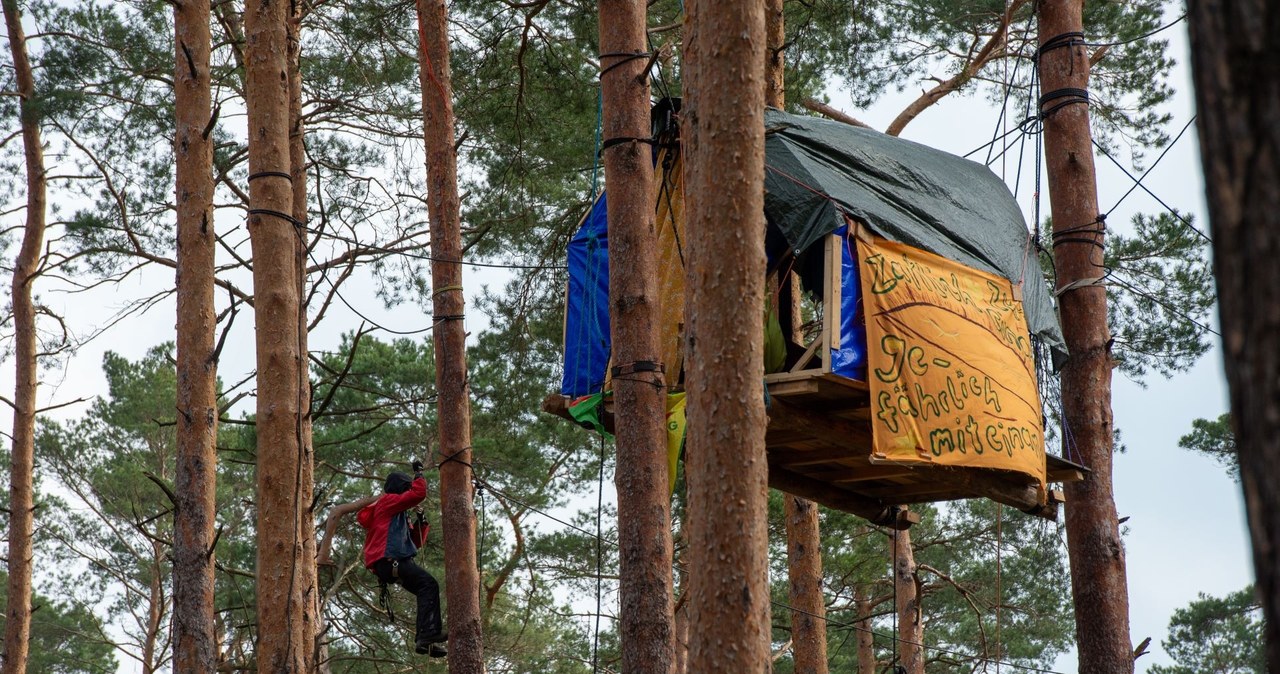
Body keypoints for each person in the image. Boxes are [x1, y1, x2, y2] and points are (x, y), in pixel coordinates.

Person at [358, 460, 447, 657]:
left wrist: (422, 521)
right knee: (429, 584)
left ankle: (424, 641)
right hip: (391, 562)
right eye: (405, 487)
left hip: (391, 565)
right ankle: (427, 634)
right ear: (398, 488)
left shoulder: (398, 514)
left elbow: (416, 542)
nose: (408, 491)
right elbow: (418, 493)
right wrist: (419, 474)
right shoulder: (387, 501)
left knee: (426, 589)